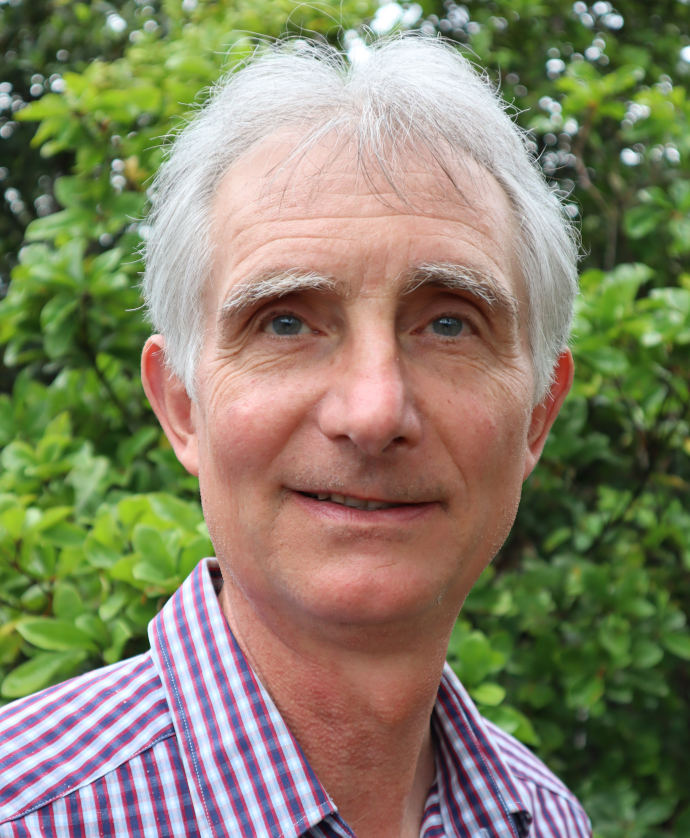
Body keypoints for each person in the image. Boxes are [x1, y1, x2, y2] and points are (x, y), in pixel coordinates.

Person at [0, 35, 590, 837]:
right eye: (285, 322)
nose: (375, 413)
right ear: (182, 405)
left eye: (449, 323)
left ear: (537, 417)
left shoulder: (547, 820)